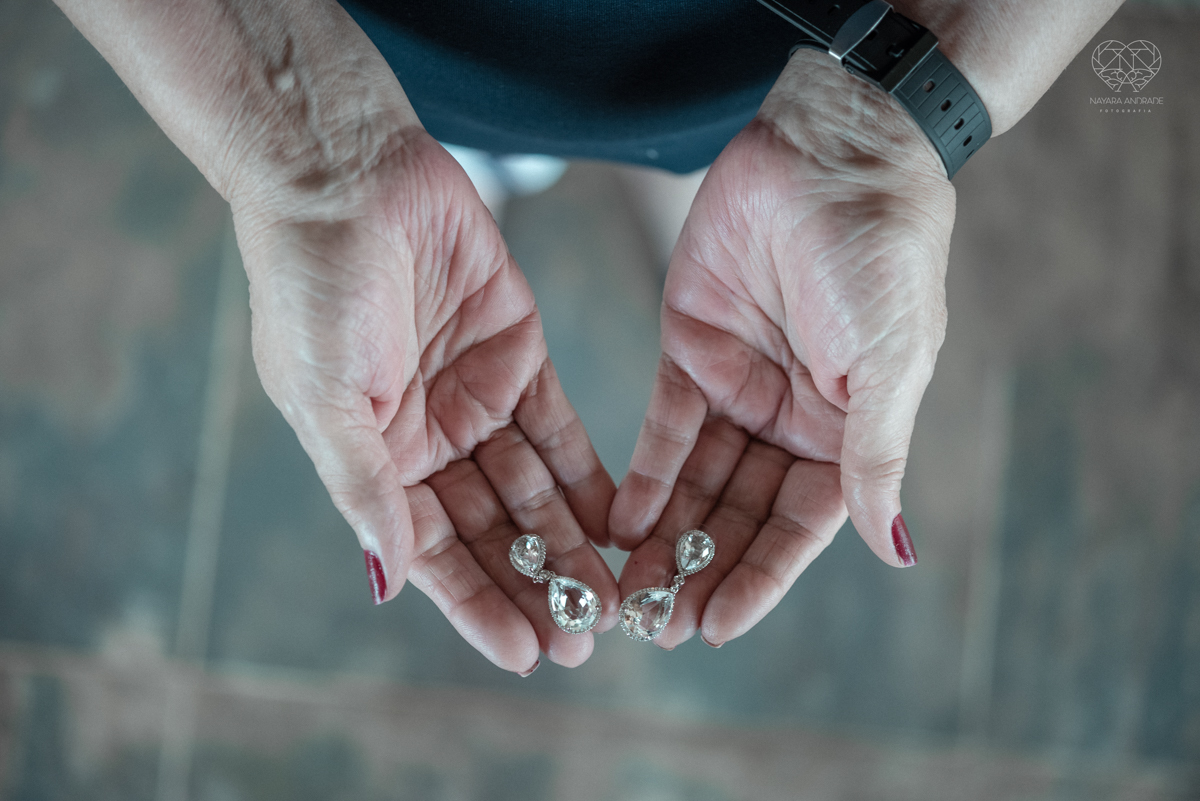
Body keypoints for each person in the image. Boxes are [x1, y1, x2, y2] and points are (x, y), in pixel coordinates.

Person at [51, 0, 1123, 676]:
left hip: (803, 49)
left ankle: (692, 186)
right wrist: (305, 146)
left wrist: (880, 129)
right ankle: (480, 187)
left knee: (724, 181)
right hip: (368, 54)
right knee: (436, 202)